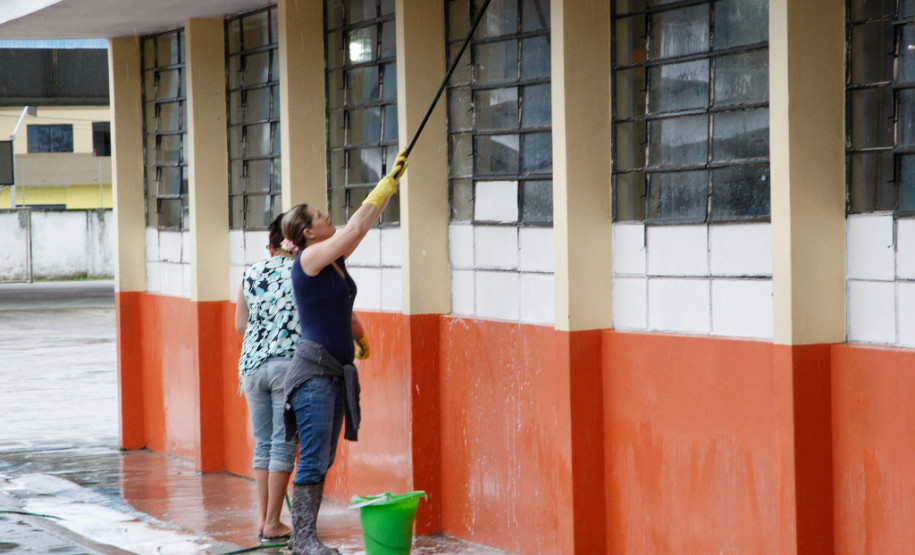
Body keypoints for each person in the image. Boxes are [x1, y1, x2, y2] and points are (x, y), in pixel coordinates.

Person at [280, 149, 408, 555]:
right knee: (315, 459)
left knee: (323, 458)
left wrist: (390, 189)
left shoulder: (332, 260)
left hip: (334, 371)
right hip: (314, 374)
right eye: (319, 215)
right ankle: (302, 540)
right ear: (308, 232)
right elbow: (352, 230)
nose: (325, 217)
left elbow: (361, 228)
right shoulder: (311, 259)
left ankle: (305, 538)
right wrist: (383, 184)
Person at [234, 213, 300, 543]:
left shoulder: (250, 273)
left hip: (251, 368)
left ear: (270, 246)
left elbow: (240, 325)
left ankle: (264, 519)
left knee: (265, 444)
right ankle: (274, 522)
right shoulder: (303, 271)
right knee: (284, 444)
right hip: (286, 366)